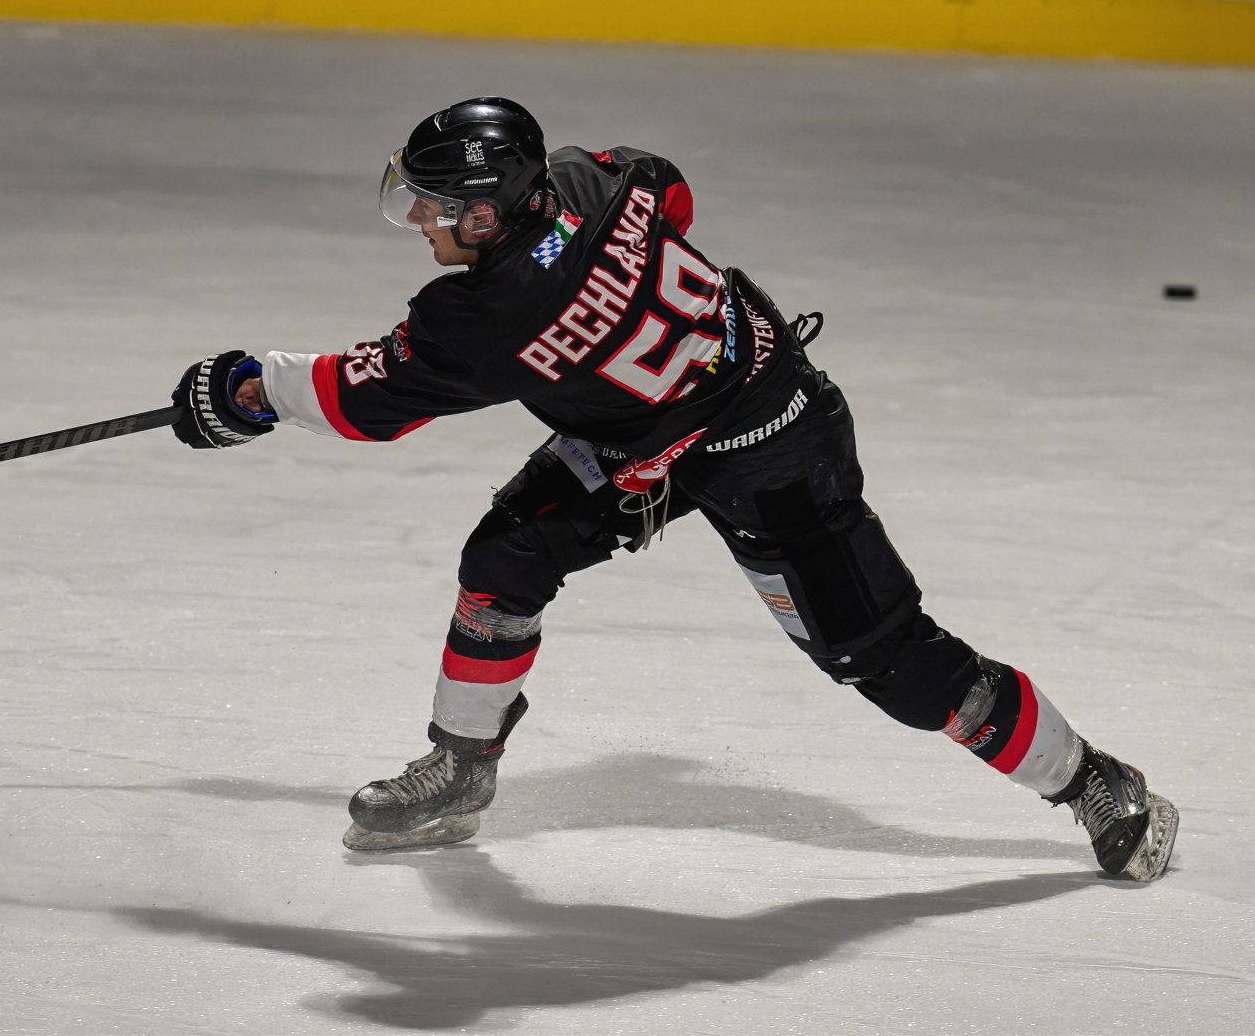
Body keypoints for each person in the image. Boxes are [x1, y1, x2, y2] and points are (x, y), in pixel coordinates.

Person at [169, 98, 1178, 880]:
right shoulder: (584, 180)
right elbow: (671, 189)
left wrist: (241, 389)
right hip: (651, 438)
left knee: (881, 659)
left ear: (488, 211)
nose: (420, 218)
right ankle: (464, 766)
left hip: (771, 450)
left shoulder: (483, 316)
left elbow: (363, 402)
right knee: (504, 558)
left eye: (436, 205)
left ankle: (1096, 781)